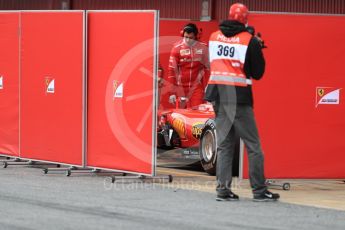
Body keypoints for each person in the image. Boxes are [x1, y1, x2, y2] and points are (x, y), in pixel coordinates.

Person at [205, 3, 280, 202]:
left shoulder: (213, 36)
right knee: (253, 145)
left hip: (218, 95)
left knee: (224, 145)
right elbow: (258, 73)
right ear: (246, 19)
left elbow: (215, 62)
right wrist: (258, 47)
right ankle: (259, 190)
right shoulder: (249, 41)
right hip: (238, 98)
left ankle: (223, 190)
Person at [167, 23, 209, 108]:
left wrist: (209, 87)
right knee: (181, 116)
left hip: (196, 87)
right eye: (186, 37)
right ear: (182, 35)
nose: (188, 40)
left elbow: (208, 69)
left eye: (191, 38)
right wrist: (171, 93)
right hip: (181, 88)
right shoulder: (177, 48)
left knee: (196, 114)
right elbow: (171, 71)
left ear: (196, 36)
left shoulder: (204, 47)